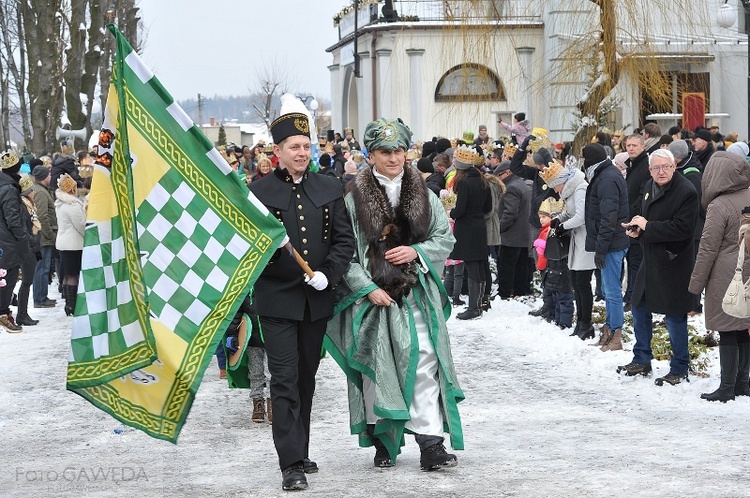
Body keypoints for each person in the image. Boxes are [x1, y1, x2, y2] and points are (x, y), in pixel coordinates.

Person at [325, 117, 464, 472]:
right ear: (371, 154)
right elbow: (345, 252)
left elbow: (443, 239)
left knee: (423, 361)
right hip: (373, 299)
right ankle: (383, 439)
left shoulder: (426, 195)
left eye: (398, 150)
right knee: (377, 365)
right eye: (385, 151)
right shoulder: (352, 200)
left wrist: (417, 251)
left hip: (416, 294)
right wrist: (367, 288)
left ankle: (431, 443)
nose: (393, 157)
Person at [247, 96, 355, 491]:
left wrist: (329, 273)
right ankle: (289, 462)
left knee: (306, 378)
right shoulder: (257, 193)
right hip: (277, 300)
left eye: (307, 146)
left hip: (315, 300)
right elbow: (247, 247)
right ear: (277, 152)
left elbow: (344, 241)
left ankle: (301, 448)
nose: (302, 153)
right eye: (294, 147)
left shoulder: (329, 187)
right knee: (285, 379)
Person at [617, 149, 699, 386]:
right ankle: (642, 358)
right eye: (656, 168)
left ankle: (679, 367)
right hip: (651, 257)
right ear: (650, 169)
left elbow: (682, 229)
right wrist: (636, 229)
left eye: (666, 167)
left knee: (674, 316)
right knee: (639, 305)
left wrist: (648, 226)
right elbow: (643, 217)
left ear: (674, 167)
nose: (661, 172)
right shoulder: (648, 186)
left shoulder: (686, 191)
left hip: (674, 261)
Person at [689, 152, 750, 401]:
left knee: (727, 329)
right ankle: (742, 383)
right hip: (747, 272)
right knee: (744, 326)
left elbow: (708, 248)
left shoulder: (719, 205)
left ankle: (726, 387)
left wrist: (695, 284)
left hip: (726, 274)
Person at [582, 143, 630, 350]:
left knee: (611, 291)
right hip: (611, 241)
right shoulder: (605, 174)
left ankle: (616, 335)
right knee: (608, 289)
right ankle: (609, 330)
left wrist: (601, 248)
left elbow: (608, 218)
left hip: (612, 242)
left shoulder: (606, 178)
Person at [542, 161, 597, 339]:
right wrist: (556, 220)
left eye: (555, 186)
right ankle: (580, 322)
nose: (555, 190)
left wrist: (562, 226)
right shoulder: (570, 190)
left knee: (582, 283)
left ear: (562, 180)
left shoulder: (580, 188)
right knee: (576, 283)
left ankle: (586, 324)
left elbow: (580, 216)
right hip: (577, 240)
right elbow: (570, 212)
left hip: (585, 240)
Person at [449, 145, 492, 320]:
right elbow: (488, 207)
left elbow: (460, 210)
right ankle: (479, 303)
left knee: (472, 265)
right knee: (480, 264)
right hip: (479, 226)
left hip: (467, 229)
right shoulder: (483, 180)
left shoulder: (465, 183)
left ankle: (474, 308)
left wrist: (451, 211)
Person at [0, 150, 30, 332]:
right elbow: (13, 220)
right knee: (8, 278)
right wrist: (23, 239)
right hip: (8, 242)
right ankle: (3, 313)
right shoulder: (9, 189)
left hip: (4, 240)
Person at [495, 159, 532, 298]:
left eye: (500, 175)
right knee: (521, 266)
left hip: (511, 236)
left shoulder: (511, 187)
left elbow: (510, 213)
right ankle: (519, 292)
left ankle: (504, 293)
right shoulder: (521, 184)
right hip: (522, 235)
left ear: (508, 172)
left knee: (507, 266)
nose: (499, 178)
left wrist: (499, 228)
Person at [623, 133, 650, 307]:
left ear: (643, 147)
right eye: (628, 145)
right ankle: (631, 295)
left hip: (638, 221)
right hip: (630, 220)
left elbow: (643, 196)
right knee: (631, 260)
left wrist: (631, 215)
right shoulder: (632, 165)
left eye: (634, 145)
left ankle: (635, 296)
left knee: (636, 261)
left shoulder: (645, 166)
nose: (631, 148)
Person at [55, 173, 85, 316]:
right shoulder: (72, 205)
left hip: (64, 243)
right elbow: (80, 225)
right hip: (74, 244)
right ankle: (73, 305)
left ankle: (68, 303)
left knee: (67, 275)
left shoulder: (60, 203)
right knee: (73, 275)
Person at [15, 175, 40, 326]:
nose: (34, 192)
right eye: (32, 190)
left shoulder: (28, 205)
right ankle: (22, 314)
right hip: (27, 248)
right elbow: (26, 230)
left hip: (31, 247)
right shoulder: (24, 208)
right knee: (26, 282)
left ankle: (23, 313)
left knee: (27, 282)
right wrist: (33, 244)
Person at [31, 165, 57, 309]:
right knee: (42, 268)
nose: (51, 176)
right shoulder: (40, 192)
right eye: (49, 174)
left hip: (45, 236)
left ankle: (42, 296)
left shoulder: (42, 190)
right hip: (43, 237)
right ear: (44, 177)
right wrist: (51, 235)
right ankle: (39, 298)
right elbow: (42, 216)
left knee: (44, 268)